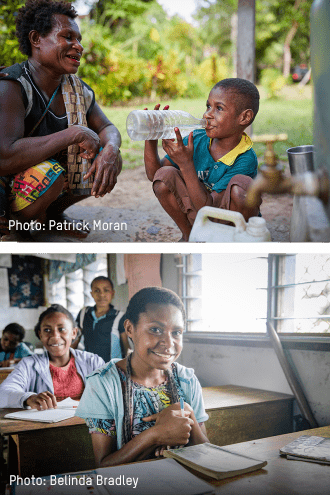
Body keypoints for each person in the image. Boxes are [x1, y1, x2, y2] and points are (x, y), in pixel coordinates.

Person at [0, 0, 122, 241]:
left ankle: (51, 217)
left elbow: (107, 127)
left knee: (110, 159)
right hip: (8, 186)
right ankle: (16, 224)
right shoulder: (11, 86)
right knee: (51, 174)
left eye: (79, 39)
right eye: (67, 37)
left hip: (45, 175)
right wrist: (74, 133)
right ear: (36, 39)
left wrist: (111, 149)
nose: (78, 46)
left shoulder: (78, 90)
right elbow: (4, 157)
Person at [75, 287, 209, 467]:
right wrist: (155, 435)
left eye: (176, 332)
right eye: (155, 329)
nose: (168, 343)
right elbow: (104, 466)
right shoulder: (103, 384)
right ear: (130, 328)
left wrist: (190, 415)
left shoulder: (187, 380)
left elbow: (206, 454)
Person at [144, 78, 261, 241]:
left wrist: (186, 164)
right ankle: (189, 235)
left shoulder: (245, 158)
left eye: (219, 108)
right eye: (208, 106)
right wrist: (151, 137)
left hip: (227, 221)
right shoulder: (198, 139)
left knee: (242, 186)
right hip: (197, 214)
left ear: (244, 117)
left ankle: (235, 242)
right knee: (164, 175)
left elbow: (208, 209)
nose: (207, 114)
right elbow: (154, 175)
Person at [0, 304, 104, 409]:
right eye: (47, 330)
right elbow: (3, 394)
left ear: (73, 333)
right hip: (45, 425)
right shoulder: (28, 364)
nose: (55, 336)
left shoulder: (93, 361)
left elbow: (112, 392)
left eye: (61, 329)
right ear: (40, 335)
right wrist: (29, 398)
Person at [75, 276, 129, 361]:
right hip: (89, 369)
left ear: (112, 293)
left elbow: (126, 348)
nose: (101, 295)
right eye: (97, 290)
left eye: (106, 290)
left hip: (111, 370)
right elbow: (75, 340)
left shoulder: (120, 317)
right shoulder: (84, 313)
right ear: (91, 294)